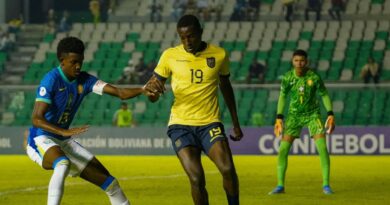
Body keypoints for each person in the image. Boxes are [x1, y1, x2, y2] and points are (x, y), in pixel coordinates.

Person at [25, 36, 157, 205]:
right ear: (62, 61)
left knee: (111, 184)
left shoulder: (86, 80)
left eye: (80, 61)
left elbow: (119, 93)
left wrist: (142, 89)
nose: (78, 66)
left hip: (63, 140)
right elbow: (36, 118)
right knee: (62, 163)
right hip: (40, 138)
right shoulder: (51, 80)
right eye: (73, 62)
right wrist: (63, 131)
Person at [145, 15, 243, 205]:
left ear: (200, 32)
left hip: (210, 123)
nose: (187, 42)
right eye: (182, 38)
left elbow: (226, 87)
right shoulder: (169, 55)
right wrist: (152, 94)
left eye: (191, 36)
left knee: (228, 169)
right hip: (180, 125)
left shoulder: (219, 54)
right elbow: (153, 93)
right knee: (197, 179)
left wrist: (236, 123)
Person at [269, 49, 335, 195]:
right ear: (292, 62)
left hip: (313, 115)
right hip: (294, 116)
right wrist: (279, 116)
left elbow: (324, 94)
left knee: (322, 148)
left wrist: (330, 113)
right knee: (283, 150)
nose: (299, 63)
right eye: (296, 60)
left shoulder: (314, 77)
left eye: (302, 60)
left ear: (307, 62)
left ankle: (326, 185)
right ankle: (280, 185)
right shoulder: (287, 78)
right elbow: (282, 96)